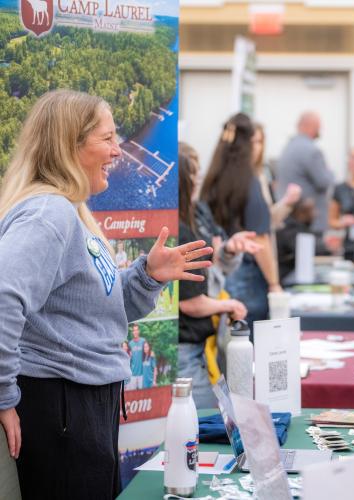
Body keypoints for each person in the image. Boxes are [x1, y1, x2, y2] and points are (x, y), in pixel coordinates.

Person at [0, 89, 211, 500]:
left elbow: (97, 312)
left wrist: (148, 276)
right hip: (62, 408)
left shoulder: (71, 210)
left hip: (78, 409)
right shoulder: (49, 213)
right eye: (108, 138)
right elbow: (3, 295)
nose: (119, 150)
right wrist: (4, 395)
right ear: (70, 146)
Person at [178, 151, 257, 408]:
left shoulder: (197, 214)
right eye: (193, 172)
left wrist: (229, 250)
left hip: (201, 344)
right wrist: (228, 305)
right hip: (186, 347)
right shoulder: (180, 231)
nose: (198, 178)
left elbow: (212, 269)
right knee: (206, 420)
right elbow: (190, 301)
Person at [199, 113, 279, 337]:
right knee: (250, 344)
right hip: (247, 275)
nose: (259, 148)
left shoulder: (213, 178)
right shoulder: (249, 183)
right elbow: (259, 239)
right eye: (255, 142)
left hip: (222, 273)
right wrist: (274, 284)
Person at [276, 111, 335, 234]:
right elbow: (324, 182)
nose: (320, 131)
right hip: (309, 221)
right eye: (318, 127)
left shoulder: (288, 147)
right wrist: (330, 172)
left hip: (289, 218)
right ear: (309, 126)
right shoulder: (312, 151)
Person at [252, 123, 301, 230]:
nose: (255, 147)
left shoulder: (261, 174)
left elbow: (268, 218)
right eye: (252, 141)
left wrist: (287, 201)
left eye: (259, 142)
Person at [128, 323, 146, 390]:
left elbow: (147, 353)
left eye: (137, 330)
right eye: (134, 330)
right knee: (133, 394)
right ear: (132, 332)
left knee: (143, 394)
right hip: (133, 373)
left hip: (142, 373)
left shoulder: (143, 341)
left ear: (139, 331)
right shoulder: (130, 343)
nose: (135, 332)